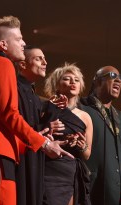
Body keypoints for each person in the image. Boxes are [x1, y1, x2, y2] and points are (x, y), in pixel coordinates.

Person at [0, 16, 72, 205]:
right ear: (4, 44)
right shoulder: (3, 64)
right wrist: (44, 144)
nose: (24, 43)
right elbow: (9, 113)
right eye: (19, 39)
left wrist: (33, 139)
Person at [15, 45, 67, 205]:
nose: (45, 62)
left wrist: (52, 112)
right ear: (23, 64)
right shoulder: (14, 88)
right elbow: (17, 124)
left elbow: (38, 127)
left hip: (34, 160)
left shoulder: (35, 97)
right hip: (19, 159)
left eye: (44, 58)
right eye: (38, 58)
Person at [81, 66, 121, 205]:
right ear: (97, 81)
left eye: (120, 78)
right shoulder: (82, 108)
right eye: (112, 75)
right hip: (88, 190)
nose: (118, 80)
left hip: (115, 194)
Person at [42, 63, 93, 205]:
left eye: (76, 80)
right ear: (56, 85)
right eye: (67, 79)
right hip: (49, 170)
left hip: (70, 172)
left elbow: (87, 154)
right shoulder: (45, 107)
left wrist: (81, 146)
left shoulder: (85, 116)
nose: (72, 82)